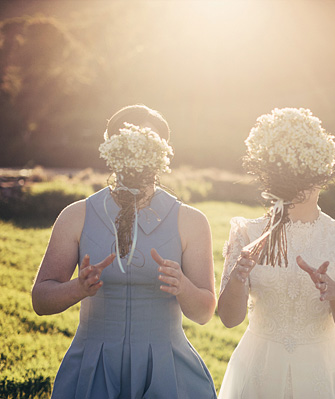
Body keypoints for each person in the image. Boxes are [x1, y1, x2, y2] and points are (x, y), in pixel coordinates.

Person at [31, 104, 218, 398]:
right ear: (110, 148)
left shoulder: (191, 221)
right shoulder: (76, 215)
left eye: (148, 141)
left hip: (166, 369)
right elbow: (41, 301)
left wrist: (182, 286)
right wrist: (77, 288)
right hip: (93, 368)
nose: (137, 151)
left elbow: (204, 312)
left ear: (164, 151)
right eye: (127, 141)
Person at [217, 108, 335, 399]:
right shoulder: (247, 234)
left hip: (322, 371)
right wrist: (238, 278)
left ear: (321, 172)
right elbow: (228, 319)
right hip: (258, 367)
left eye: (306, 170)